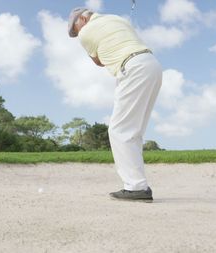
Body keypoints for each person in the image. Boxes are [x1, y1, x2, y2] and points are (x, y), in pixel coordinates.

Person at [68, 7, 162, 202]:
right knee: (133, 131)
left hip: (132, 68)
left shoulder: (86, 33)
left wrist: (89, 42)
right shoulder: (116, 18)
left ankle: (136, 187)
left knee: (119, 130)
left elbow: (98, 62)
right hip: (151, 65)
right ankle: (138, 184)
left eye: (75, 29)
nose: (77, 34)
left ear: (84, 18)